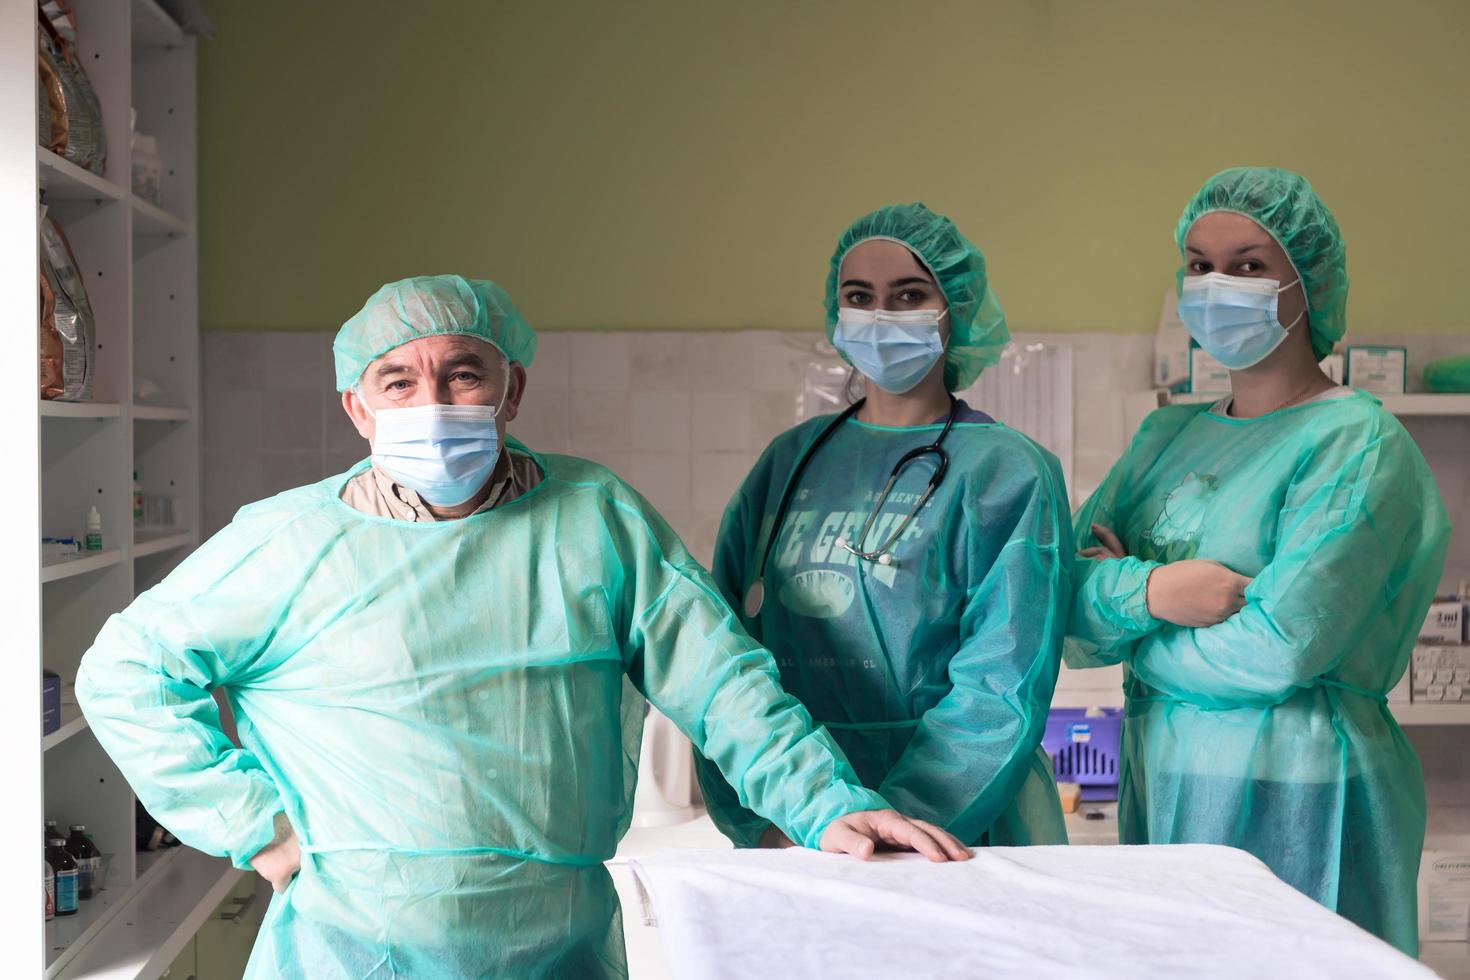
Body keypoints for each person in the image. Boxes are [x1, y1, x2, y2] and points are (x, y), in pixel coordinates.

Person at [77, 275, 969, 979]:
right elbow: (124, 673)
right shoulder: (288, 541)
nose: (433, 401)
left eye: (463, 373)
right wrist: (257, 827)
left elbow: (723, 681)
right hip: (348, 954)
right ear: (358, 409)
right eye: (399, 381)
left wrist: (831, 805)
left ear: (511, 389)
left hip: (556, 952)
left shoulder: (597, 518)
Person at [1066, 167, 1450, 954]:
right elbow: (1064, 613)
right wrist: (1160, 591)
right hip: (1168, 787)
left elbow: (1281, 650)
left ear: (1308, 284)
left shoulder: (1356, 445)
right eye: (1199, 265)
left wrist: (1130, 624)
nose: (1216, 286)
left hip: (1303, 795)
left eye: (1248, 266)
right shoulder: (1165, 439)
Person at [694, 203, 1072, 850]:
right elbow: (722, 655)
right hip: (802, 826)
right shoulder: (790, 462)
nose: (882, 315)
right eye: (859, 298)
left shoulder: (1007, 473)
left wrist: (898, 822)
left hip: (953, 829)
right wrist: (775, 813)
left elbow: (1001, 683)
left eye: (909, 296)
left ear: (954, 310)